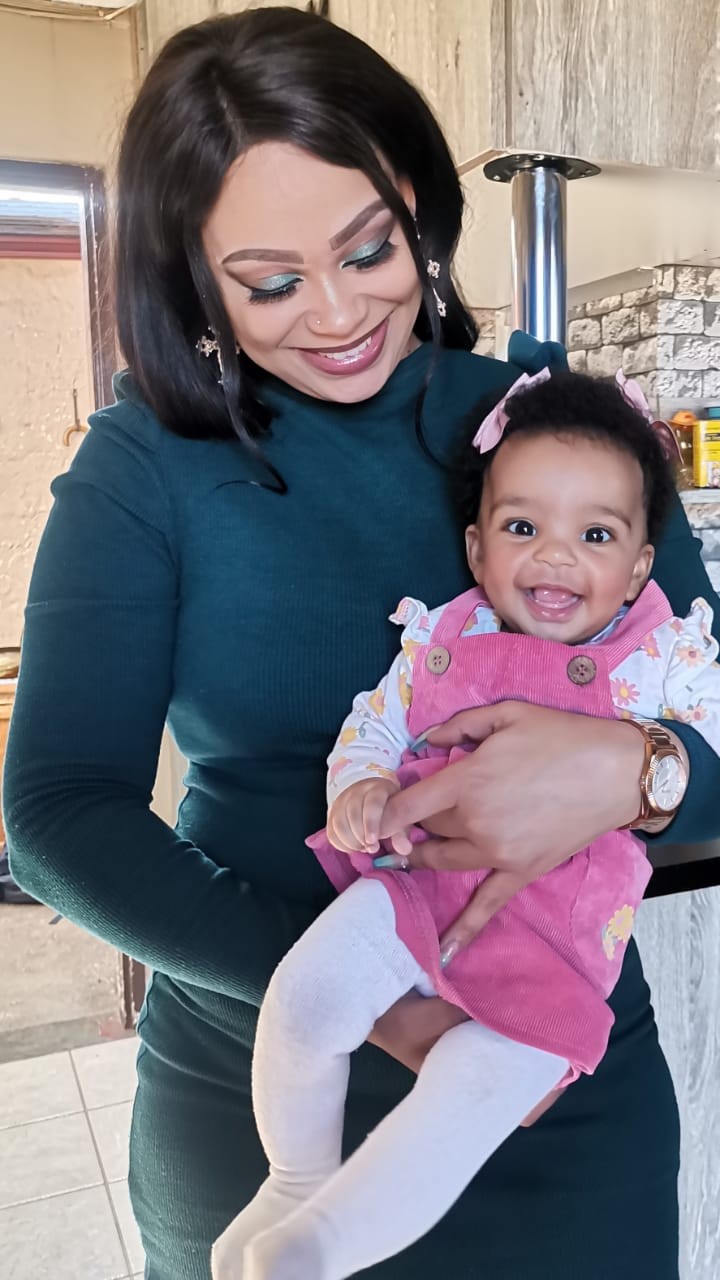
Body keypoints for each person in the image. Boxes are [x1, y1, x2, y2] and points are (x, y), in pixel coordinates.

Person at [3, 9, 719, 1280]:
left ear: (420, 208)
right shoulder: (143, 468)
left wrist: (637, 767)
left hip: (554, 1097)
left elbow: (709, 722)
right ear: (194, 278)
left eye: (369, 249)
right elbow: (57, 812)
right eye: (270, 281)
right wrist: (376, 998)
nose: (337, 314)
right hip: (268, 1089)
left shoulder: (550, 432)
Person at [211, 369, 719, 1280]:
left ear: (642, 566)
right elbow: (374, 725)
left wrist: (646, 758)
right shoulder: (442, 638)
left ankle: (321, 1246)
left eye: (595, 535)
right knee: (305, 999)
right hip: (414, 887)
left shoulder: (662, 656)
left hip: (557, 946)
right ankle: (296, 1180)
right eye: (524, 529)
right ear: (478, 550)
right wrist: (361, 786)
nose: (555, 558)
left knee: (471, 1094)